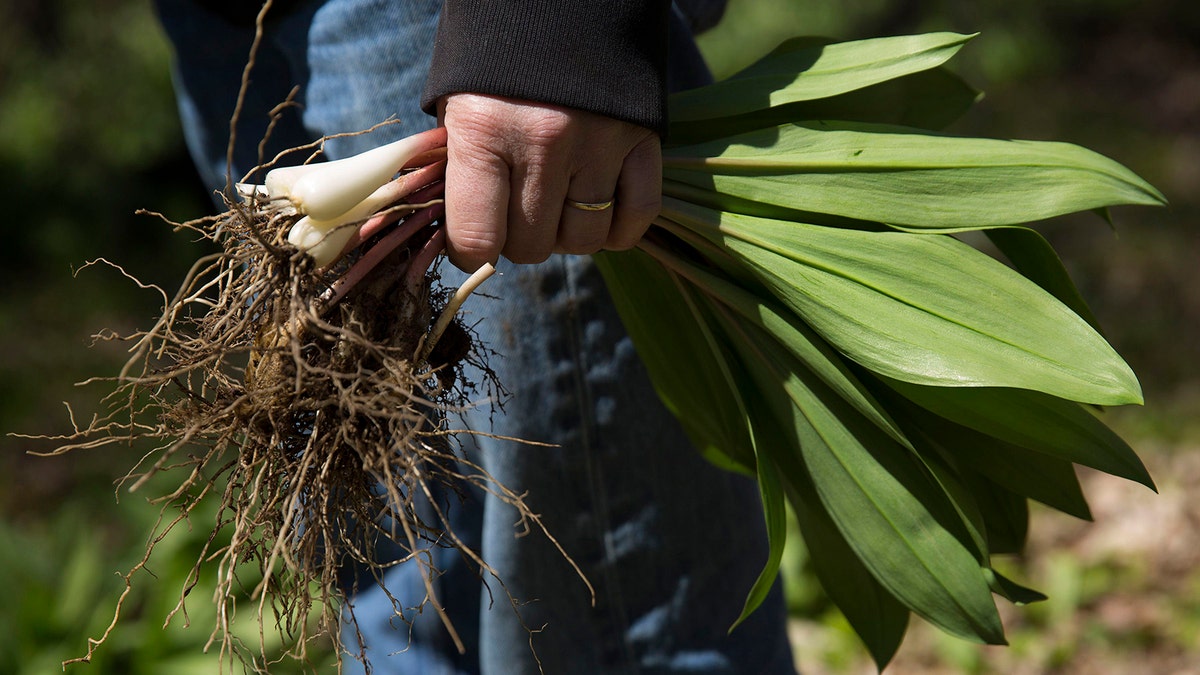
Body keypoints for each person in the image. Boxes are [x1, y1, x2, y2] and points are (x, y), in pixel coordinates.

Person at [154, 1, 797, 672]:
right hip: (215, 22)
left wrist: (553, 27)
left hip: (473, 34)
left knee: (618, 615)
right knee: (392, 560)